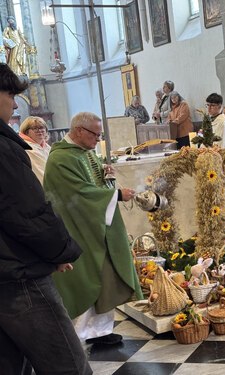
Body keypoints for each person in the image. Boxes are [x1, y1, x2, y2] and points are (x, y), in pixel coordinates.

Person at [0, 63, 91, 374]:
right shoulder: (3, 149)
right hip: (20, 277)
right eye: (10, 94)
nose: (14, 103)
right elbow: (27, 212)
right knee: (68, 366)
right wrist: (60, 252)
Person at [44, 111, 143, 345]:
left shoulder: (84, 153)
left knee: (104, 274)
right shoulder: (61, 159)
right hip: (77, 228)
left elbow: (94, 185)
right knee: (84, 277)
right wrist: (116, 194)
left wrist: (106, 176)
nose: (97, 140)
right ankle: (79, 335)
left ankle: (101, 332)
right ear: (79, 130)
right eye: (95, 135)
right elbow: (77, 194)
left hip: (95, 225)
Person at [18, 116, 51, 184]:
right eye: (35, 128)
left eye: (41, 127)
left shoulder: (47, 146)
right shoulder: (28, 148)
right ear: (26, 132)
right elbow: (41, 174)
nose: (39, 131)